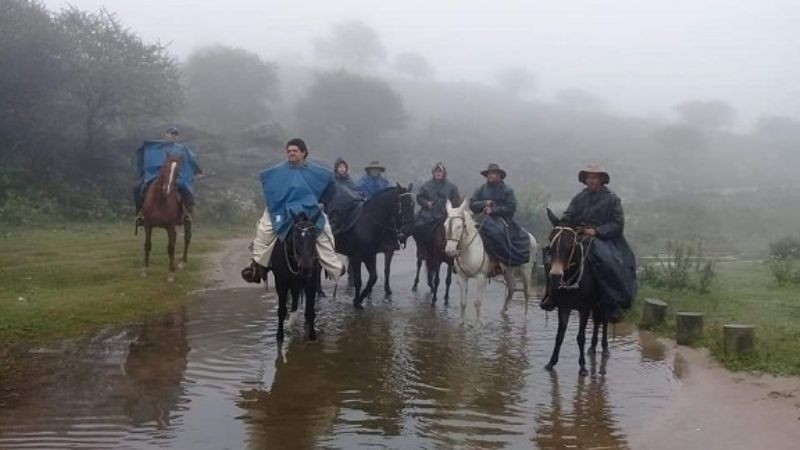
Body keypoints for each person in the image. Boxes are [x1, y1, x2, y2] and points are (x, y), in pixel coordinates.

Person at [540, 164, 637, 323]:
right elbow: (569, 215)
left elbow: (617, 224)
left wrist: (596, 231)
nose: (591, 180)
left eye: (594, 177)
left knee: (606, 261)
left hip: (604, 238)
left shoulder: (612, 199)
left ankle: (611, 303)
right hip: (578, 235)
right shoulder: (579, 197)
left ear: (601, 180)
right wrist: (562, 225)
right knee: (550, 254)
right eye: (588, 177)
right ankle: (550, 295)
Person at [246, 138, 344, 280]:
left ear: (303, 152)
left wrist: (323, 202)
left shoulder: (318, 172)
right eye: (289, 151)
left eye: (295, 151)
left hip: (309, 207)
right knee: (264, 230)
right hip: (281, 207)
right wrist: (275, 202)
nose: (291, 153)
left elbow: (331, 186)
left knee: (325, 233)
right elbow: (269, 186)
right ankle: (257, 266)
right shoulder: (277, 171)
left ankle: (333, 267)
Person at [134, 126, 203, 226]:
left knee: (185, 189)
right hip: (155, 175)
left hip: (175, 176)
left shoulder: (182, 149)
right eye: (171, 134)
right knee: (138, 188)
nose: (173, 136)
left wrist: (198, 171)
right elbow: (144, 153)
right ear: (166, 134)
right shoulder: (156, 146)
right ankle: (140, 213)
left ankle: (187, 213)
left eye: (175, 135)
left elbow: (190, 161)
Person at [469, 163, 531, 271]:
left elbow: (511, 208)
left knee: (496, 232)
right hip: (480, 217)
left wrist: (493, 210)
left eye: (493, 173)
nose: (490, 176)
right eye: (489, 174)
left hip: (501, 219)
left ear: (499, 176)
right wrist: (484, 203)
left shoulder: (507, 190)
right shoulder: (481, 189)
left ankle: (498, 259)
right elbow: (472, 204)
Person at [413, 162, 461, 243]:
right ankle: (422, 248)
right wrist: (426, 203)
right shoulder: (426, 185)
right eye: (436, 171)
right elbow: (420, 197)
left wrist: (449, 206)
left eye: (440, 171)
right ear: (433, 173)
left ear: (444, 173)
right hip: (429, 214)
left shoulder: (451, 187)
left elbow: (456, 199)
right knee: (418, 227)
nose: (438, 173)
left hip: (446, 213)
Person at [327, 157, 365, 235]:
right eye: (340, 167)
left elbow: (355, 190)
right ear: (336, 168)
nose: (342, 169)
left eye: (344, 167)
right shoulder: (333, 180)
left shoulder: (349, 180)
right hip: (336, 207)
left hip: (350, 206)